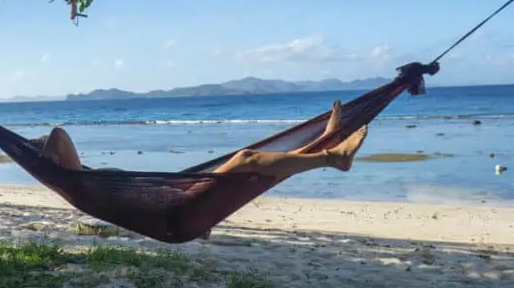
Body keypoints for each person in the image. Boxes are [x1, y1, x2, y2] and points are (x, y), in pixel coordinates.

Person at [29, 100, 370, 237]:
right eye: (42, 146)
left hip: (183, 197)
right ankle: (332, 158)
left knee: (248, 164)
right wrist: (40, 149)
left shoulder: (83, 179)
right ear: (54, 159)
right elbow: (58, 135)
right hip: (180, 210)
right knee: (248, 160)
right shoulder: (76, 183)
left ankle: (322, 146)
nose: (45, 140)